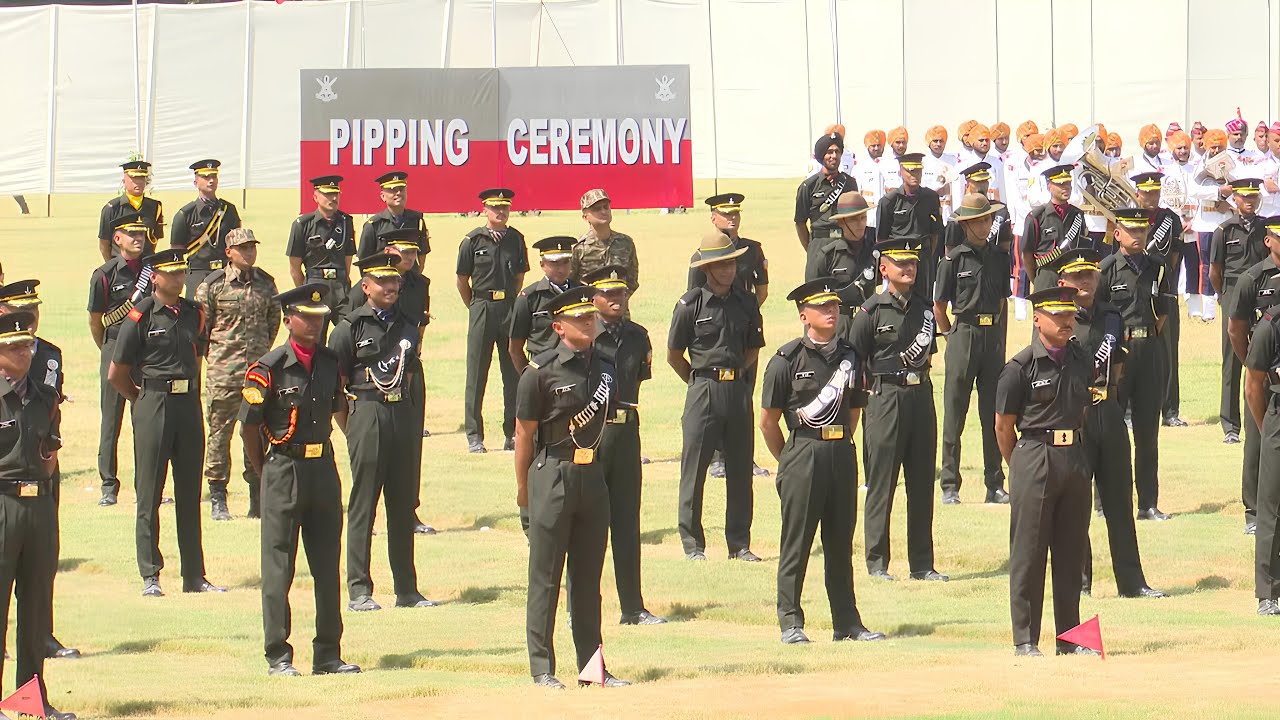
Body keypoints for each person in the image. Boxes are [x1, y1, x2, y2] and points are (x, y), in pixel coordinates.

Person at [240, 283, 361, 676]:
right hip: (282, 470)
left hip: (322, 470)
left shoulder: (329, 362)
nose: (314, 323)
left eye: (319, 316)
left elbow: (337, 407)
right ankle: (278, 654)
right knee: (279, 568)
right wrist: (265, 473)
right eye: (306, 317)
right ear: (289, 320)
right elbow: (248, 429)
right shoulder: (269, 367)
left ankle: (328, 653)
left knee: (327, 566)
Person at [514, 287, 630, 689]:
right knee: (545, 577)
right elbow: (525, 436)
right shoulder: (539, 372)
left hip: (591, 475)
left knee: (588, 580)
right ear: (559, 326)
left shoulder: (606, 365)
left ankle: (591, 667)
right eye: (580, 318)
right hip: (552, 473)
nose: (589, 321)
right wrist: (525, 492)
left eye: (590, 316)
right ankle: (542, 668)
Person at [761, 278, 885, 646]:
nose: (831, 312)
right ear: (804, 315)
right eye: (822, 307)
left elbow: (854, 411)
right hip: (803, 453)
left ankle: (846, 623)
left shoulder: (850, 357)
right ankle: (790, 621)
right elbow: (768, 420)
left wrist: (840, 442)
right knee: (796, 543)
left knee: (839, 543)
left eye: (833, 306)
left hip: (840, 454)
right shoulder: (786, 361)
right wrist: (790, 458)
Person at [108, 248, 223, 597]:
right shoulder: (141, 315)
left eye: (181, 272)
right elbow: (117, 373)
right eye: (171, 273)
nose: (178, 278)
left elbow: (198, 356)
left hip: (187, 404)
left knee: (189, 493)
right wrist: (142, 400)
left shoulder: (195, 313)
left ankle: (194, 575)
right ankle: (151, 574)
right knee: (149, 492)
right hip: (153, 402)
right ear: (154, 277)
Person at [1055, 250, 1167, 600]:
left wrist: (1113, 401)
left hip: (1109, 410)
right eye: (1077, 276)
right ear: (1063, 282)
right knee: (1076, 505)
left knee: (1120, 501)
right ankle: (1081, 582)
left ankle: (1132, 583)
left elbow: (1117, 362)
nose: (1085, 281)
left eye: (1090, 275)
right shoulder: (1058, 320)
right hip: (1075, 415)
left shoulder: (1112, 317)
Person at [329, 252, 436, 612]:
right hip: (367, 412)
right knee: (364, 504)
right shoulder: (349, 327)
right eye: (382, 281)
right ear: (366, 286)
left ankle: (407, 589)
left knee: (402, 503)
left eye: (394, 281)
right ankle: (359, 588)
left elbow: (410, 372)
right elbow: (337, 385)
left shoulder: (408, 323)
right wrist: (354, 428)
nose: (390, 287)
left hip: (401, 412)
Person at [995, 286, 1096, 657]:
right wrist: (1021, 466)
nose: (1067, 321)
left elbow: (1082, 407)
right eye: (1058, 315)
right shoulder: (1019, 368)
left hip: (1074, 457)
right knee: (1029, 552)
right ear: (1038, 318)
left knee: (1071, 553)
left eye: (1069, 314)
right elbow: (1003, 427)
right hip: (1034, 454)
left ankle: (1072, 639)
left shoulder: (1082, 359)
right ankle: (1025, 639)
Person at [850, 238, 946, 582]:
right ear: (884, 268)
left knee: (922, 483)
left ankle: (922, 564)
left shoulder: (924, 309)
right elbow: (855, 363)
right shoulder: (870, 311)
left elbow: (929, 355)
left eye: (914, 263)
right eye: (901, 263)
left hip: (920, 397)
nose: (909, 269)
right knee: (882, 483)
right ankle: (877, 562)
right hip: (885, 398)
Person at [0, 310, 79, 719]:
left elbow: (50, 447)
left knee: (35, 608)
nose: (24, 354)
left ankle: (29, 698)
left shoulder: (43, 394)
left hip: (39, 505)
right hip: (2, 504)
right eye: (13, 348)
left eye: (27, 346)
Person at [668, 233, 765, 562]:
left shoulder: (747, 302)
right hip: (703, 389)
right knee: (694, 470)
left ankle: (739, 544)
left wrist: (735, 373)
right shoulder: (690, 304)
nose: (729, 269)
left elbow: (753, 346)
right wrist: (699, 381)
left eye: (732, 262)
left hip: (737, 389)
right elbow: (674, 354)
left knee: (740, 469)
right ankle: (693, 543)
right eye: (722, 264)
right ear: (708, 268)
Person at [584, 265, 666, 625]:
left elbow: (639, 379)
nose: (615, 299)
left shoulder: (638, 336)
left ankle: (632, 607)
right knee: (587, 524)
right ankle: (580, 607)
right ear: (595, 298)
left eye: (620, 292)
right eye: (608, 293)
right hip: (593, 434)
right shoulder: (586, 337)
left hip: (627, 433)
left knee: (627, 522)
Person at [193, 228, 279, 521]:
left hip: (255, 374)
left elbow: (273, 322)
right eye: (242, 248)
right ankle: (218, 497)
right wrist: (218, 357)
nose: (249, 252)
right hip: (223, 374)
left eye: (252, 247)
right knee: (219, 435)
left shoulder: (266, 284)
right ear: (228, 253)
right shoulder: (213, 285)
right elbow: (202, 329)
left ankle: (257, 497)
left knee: (256, 433)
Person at [935, 193, 1012, 506]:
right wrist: (950, 337)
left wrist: (1000, 340)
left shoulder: (999, 257)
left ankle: (994, 484)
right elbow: (940, 306)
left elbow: (1003, 301)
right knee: (955, 413)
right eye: (979, 220)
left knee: (992, 414)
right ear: (966, 225)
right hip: (963, 332)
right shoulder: (953, 260)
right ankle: (950, 485)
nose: (985, 224)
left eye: (988, 218)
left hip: (992, 335)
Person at [1098, 208, 1174, 522]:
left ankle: (1148, 504)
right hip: (1119, 354)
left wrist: (1154, 329)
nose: (1139, 236)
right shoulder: (1106, 269)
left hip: (1149, 350)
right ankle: (1104, 501)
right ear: (1118, 234)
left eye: (1143, 231)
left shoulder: (1156, 267)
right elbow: (1099, 314)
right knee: (1109, 429)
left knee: (1147, 431)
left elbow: (1165, 306)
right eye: (1132, 231)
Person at [687, 193, 770, 479]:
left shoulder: (753, 250)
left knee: (744, 393)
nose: (732, 218)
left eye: (735, 213)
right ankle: (718, 457)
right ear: (713, 217)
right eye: (725, 213)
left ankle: (744, 457)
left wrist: (743, 316)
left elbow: (762, 290)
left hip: (743, 331)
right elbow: (694, 296)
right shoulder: (702, 254)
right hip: (713, 333)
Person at [456, 188, 529, 454]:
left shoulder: (516, 239)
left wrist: (510, 300)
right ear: (484, 209)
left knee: (512, 372)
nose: (500, 212)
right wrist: (475, 306)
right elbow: (462, 280)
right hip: (482, 307)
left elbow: (520, 276)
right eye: (495, 208)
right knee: (476, 374)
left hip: (508, 307)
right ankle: (474, 435)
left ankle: (512, 432)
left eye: (505, 207)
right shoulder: (472, 241)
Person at [88, 213, 151, 507]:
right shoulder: (104, 274)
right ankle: (108, 485)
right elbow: (95, 320)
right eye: (132, 234)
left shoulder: (154, 271)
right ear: (117, 239)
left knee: (146, 419)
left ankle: (146, 484)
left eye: (142, 233)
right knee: (111, 421)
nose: (138, 238)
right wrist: (108, 347)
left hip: (144, 350)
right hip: (114, 348)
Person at [1228, 215, 1280, 535]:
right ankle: (1253, 510)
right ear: (1269, 241)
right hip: (1263, 375)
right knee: (1258, 440)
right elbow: (1236, 328)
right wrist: (1252, 364)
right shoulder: (1253, 278)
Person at [1211, 178, 1269, 444]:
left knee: (1265, 355)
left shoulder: (1266, 228)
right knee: (1232, 360)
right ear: (1234, 199)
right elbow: (1215, 272)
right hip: (1234, 294)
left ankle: (1264, 417)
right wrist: (1226, 298)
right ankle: (1230, 424)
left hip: (1261, 295)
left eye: (1253, 197)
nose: (1249, 201)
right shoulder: (1224, 230)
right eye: (1244, 197)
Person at [1243, 226, 1280, 614]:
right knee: (1271, 505)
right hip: (1278, 415)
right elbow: (1254, 384)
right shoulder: (1270, 325)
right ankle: (1269, 592)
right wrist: (1266, 425)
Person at [1131, 172, 1187, 429]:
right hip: (1134, 293)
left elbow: (1175, 256)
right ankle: (1129, 409)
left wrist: (1166, 287)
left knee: (1167, 352)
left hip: (1162, 291)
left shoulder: (1171, 219)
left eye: (1155, 192)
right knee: (1131, 349)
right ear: (1137, 194)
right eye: (1146, 192)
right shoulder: (1127, 219)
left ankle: (1170, 410)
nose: (1151, 197)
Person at [805, 193, 879, 342]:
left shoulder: (876, 251)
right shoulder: (828, 256)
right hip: (840, 323)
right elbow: (811, 298)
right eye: (853, 219)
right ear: (841, 223)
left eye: (863, 217)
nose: (860, 224)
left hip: (869, 321)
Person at [285, 176, 355, 329]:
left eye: (336, 193)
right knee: (315, 337)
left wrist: (342, 282)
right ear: (315, 196)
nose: (333, 198)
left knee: (348, 334)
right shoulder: (302, 225)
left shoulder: (346, 221)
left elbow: (347, 259)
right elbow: (294, 267)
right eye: (328, 194)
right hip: (315, 287)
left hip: (340, 288)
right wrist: (305, 292)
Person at [170, 159, 242, 297]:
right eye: (206, 177)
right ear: (196, 183)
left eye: (214, 176)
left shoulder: (228, 210)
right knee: (197, 315)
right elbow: (176, 252)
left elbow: (237, 244)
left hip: (225, 271)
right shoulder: (185, 214)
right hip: (197, 273)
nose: (211, 180)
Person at [876, 153, 943, 298]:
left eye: (918, 171)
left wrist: (926, 256)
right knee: (897, 300)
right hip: (898, 259)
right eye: (910, 171)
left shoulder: (931, 198)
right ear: (901, 172)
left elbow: (935, 233)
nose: (915, 175)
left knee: (924, 301)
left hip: (922, 258)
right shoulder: (889, 201)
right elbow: (881, 238)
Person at [510, 237, 580, 375]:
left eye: (565, 262)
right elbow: (515, 349)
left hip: (576, 370)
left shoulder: (580, 294)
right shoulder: (529, 298)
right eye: (554, 263)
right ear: (542, 265)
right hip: (543, 370)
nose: (561, 268)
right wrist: (528, 378)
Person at [1022, 164, 1089, 292]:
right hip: (1047, 276)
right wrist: (1037, 280)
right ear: (1049, 186)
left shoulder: (1077, 215)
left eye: (1068, 183)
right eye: (1061, 184)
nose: (1066, 187)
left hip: (1072, 277)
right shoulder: (1036, 217)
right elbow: (1027, 254)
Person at [795, 133, 859, 259]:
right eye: (829, 152)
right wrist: (811, 250)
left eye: (837, 152)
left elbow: (856, 217)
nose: (834, 156)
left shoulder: (850, 183)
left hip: (844, 244)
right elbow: (800, 222)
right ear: (821, 155)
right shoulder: (808, 186)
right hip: (819, 244)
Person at [1193, 128, 1234, 322]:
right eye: (1213, 146)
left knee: (1227, 264)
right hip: (1205, 224)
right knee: (1206, 266)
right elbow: (1193, 190)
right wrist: (1218, 192)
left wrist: (1230, 203)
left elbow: (1241, 189)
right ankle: (1208, 309)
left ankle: (1226, 301)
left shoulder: (1232, 164)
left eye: (1220, 146)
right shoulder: (1200, 164)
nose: (1216, 150)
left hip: (1226, 222)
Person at [573, 189, 639, 292]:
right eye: (597, 209)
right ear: (585, 217)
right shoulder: (578, 248)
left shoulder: (625, 243)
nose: (603, 211)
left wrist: (620, 300)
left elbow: (632, 281)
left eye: (606, 207)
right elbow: (570, 284)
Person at [97, 160, 163, 261]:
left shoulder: (154, 207)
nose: (139, 182)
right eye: (134, 178)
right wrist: (111, 268)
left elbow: (154, 240)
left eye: (142, 178)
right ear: (124, 181)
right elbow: (104, 245)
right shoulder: (112, 208)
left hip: (146, 267)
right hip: (121, 266)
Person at [357, 171, 431, 259]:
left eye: (401, 189)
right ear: (383, 196)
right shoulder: (373, 225)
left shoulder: (417, 221)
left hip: (410, 272)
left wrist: (414, 273)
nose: (398, 193)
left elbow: (422, 254)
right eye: (393, 190)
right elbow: (364, 259)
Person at [853, 130, 888, 235]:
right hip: (868, 219)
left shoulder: (890, 164)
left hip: (887, 217)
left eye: (879, 145)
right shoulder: (860, 167)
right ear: (867, 146)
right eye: (873, 145)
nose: (876, 148)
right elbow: (856, 193)